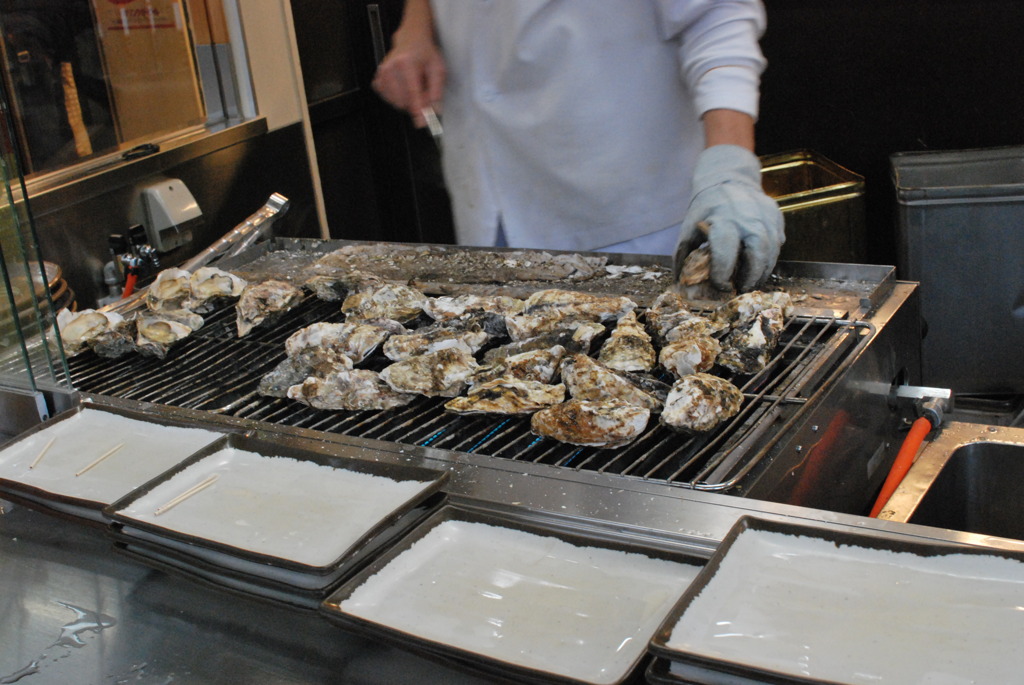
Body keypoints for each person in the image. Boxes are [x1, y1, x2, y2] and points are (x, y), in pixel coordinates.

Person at [372, 0, 783, 292]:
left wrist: (730, 167)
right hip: (487, 191)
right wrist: (416, 27)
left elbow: (717, 14)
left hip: (623, 207)